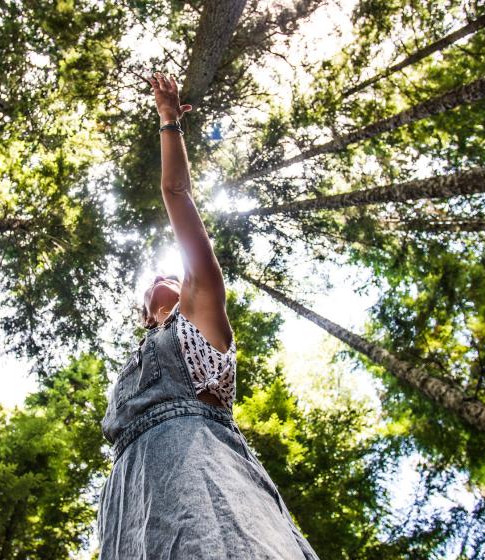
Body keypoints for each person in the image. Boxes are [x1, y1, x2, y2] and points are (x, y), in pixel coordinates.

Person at [95, 72, 319, 559]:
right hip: (127, 497)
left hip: (201, 467)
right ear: (143, 313)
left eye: (172, 275)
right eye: (154, 279)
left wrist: (168, 120)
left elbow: (176, 194)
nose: (163, 275)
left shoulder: (200, 313)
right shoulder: (136, 360)